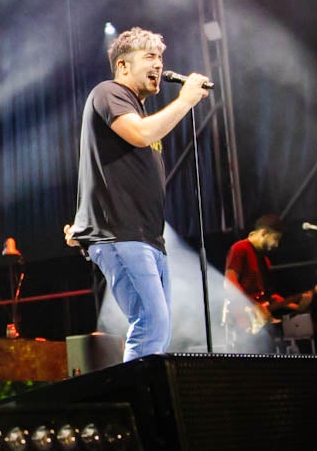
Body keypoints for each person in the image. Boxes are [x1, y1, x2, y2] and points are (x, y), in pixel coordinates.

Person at [63, 26, 211, 362]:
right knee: (151, 322)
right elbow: (141, 134)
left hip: (146, 238)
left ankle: (144, 402)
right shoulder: (109, 92)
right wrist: (185, 100)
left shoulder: (136, 108)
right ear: (123, 66)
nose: (159, 65)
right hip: (122, 234)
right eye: (149, 57)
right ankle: (138, 406)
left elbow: (107, 171)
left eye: (160, 58)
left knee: (158, 327)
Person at [222, 213, 315, 351]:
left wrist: (297, 307)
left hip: (259, 322)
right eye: (275, 239)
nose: (276, 244)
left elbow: (269, 296)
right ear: (264, 232)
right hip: (241, 319)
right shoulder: (240, 248)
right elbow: (229, 283)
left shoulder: (265, 261)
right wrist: (254, 305)